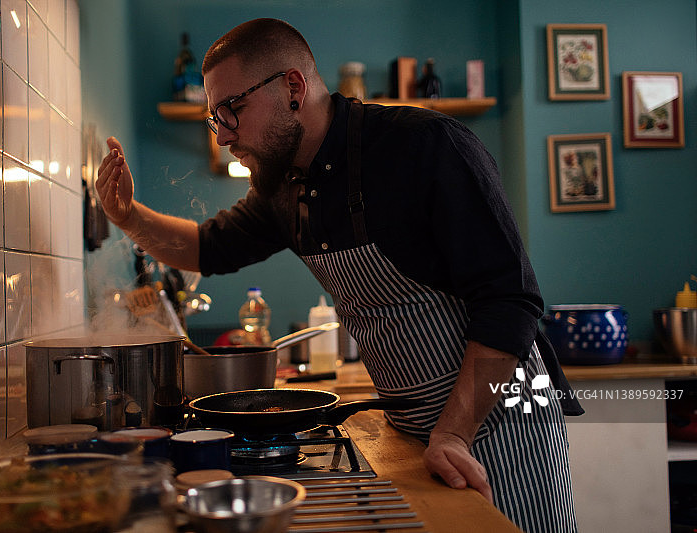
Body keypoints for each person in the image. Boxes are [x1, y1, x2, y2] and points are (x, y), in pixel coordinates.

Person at [97, 18, 583, 532]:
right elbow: (204, 248)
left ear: (293, 87)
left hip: (498, 422)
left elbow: (511, 301)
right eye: (214, 118)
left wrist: (456, 432)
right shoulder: (283, 188)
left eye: (232, 110)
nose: (223, 137)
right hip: (418, 428)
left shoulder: (426, 146)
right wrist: (127, 216)